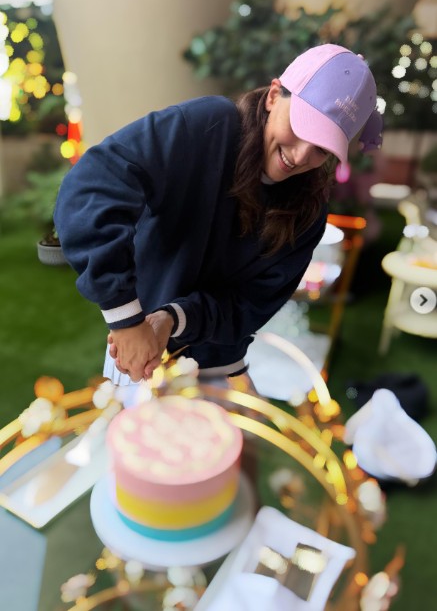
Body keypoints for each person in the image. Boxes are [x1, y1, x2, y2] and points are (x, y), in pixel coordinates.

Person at [54, 43, 382, 387]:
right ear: (274, 95)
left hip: (222, 364)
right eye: (302, 127)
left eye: (321, 149)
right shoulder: (207, 126)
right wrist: (125, 317)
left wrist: (171, 319)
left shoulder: (309, 211)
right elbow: (93, 186)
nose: (301, 156)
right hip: (141, 356)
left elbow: (249, 305)